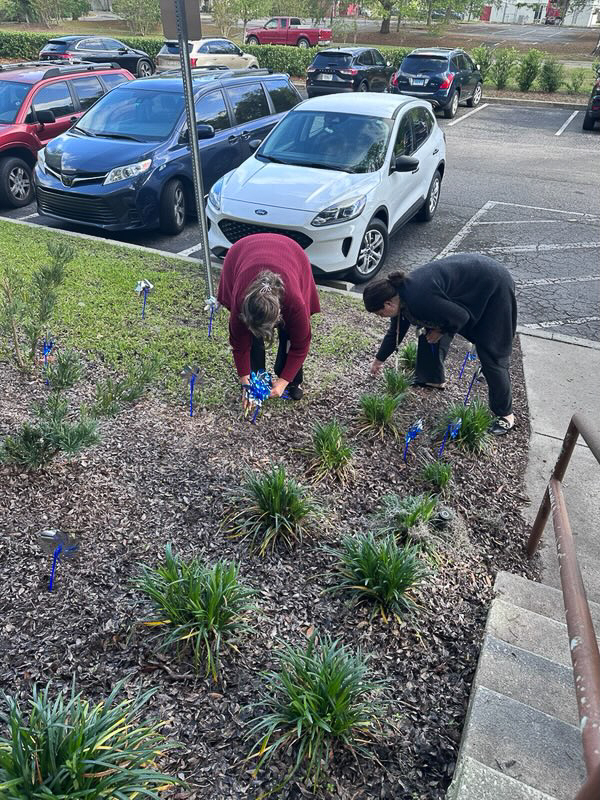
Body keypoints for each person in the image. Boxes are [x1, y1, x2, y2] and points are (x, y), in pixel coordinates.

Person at [363, 254, 518, 436]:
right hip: (471, 283)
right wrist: (379, 360)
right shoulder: (400, 295)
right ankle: (432, 378)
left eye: (379, 313)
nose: (380, 317)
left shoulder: (419, 298)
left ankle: (506, 415)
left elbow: (461, 317)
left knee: (492, 354)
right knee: (428, 326)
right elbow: (395, 333)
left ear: (388, 304)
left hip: (494, 286)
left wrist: (440, 331)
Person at [217, 233, 320, 404]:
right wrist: (245, 383)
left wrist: (283, 382)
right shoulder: (240, 301)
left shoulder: (294, 303)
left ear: (279, 314)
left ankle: (293, 380)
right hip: (241, 252)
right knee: (250, 337)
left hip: (291, 253)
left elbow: (300, 345)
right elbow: (239, 345)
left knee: (290, 335)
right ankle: (257, 377)